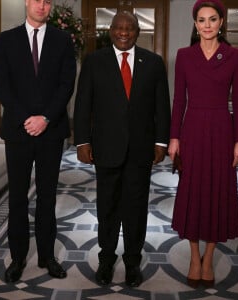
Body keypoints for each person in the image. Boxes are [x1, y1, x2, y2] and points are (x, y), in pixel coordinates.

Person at [74, 11, 171, 287]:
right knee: (107, 206)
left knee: (136, 209)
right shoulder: (94, 61)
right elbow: (83, 104)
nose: (124, 32)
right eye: (119, 27)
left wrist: (161, 142)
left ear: (138, 31)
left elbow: (162, 107)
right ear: (111, 30)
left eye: (130, 28)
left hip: (141, 150)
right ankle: (106, 260)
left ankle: (132, 262)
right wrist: (82, 141)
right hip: (105, 148)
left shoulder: (153, 63)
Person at [0, 0, 76, 283]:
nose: (41, 5)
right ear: (27, 2)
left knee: (47, 197)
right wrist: (27, 118)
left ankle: (46, 256)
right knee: (17, 198)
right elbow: (1, 85)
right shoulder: (7, 40)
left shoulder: (63, 40)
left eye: (47, 1)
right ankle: (17, 258)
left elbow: (67, 84)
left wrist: (46, 118)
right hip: (18, 131)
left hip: (51, 132)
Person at [168, 0, 238, 289]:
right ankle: (194, 255)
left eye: (213, 19)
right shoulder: (185, 56)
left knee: (217, 191)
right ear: (195, 24)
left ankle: (209, 256)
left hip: (222, 130)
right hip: (193, 130)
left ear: (222, 22)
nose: (207, 25)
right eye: (201, 20)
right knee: (192, 191)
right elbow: (179, 100)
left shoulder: (235, 56)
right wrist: (174, 137)